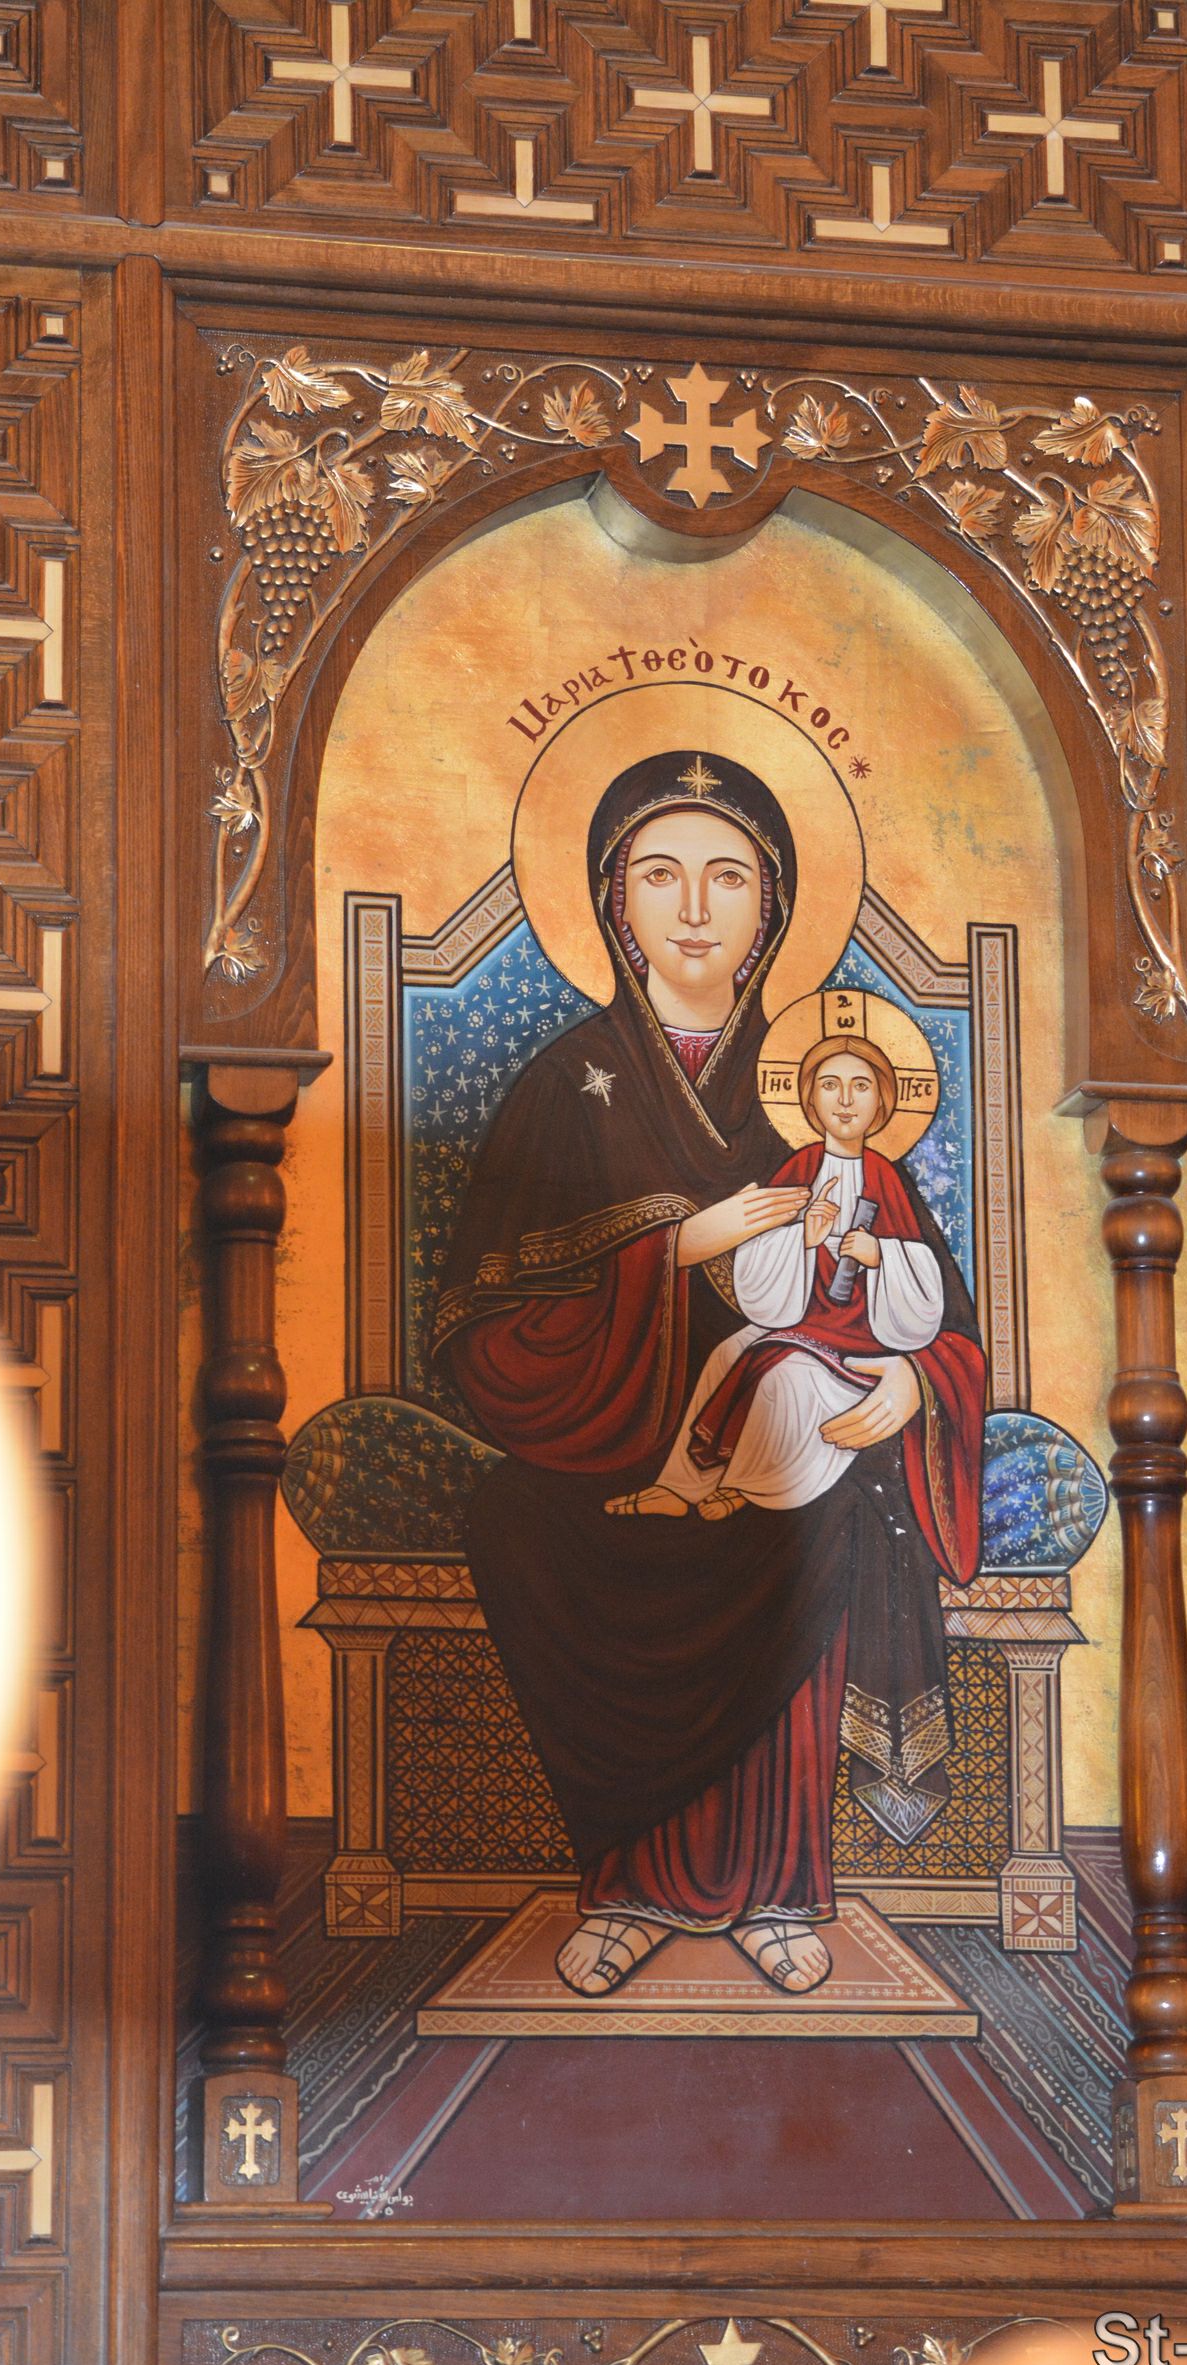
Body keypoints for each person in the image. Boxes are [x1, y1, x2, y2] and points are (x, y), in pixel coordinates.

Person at [434, 751, 986, 2002]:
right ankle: (626, 1888)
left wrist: (916, 1389)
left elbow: (938, 1315)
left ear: (773, 904)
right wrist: (677, 1249)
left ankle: (779, 1890)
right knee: (518, 1520)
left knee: (826, 1516)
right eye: (659, 875)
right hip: (605, 1434)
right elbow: (480, 1324)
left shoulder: (825, 1090)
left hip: (799, 1434)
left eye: (728, 877)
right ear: (612, 899)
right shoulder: (563, 1083)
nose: (693, 909)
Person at [607, 1031, 946, 1523]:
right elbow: (759, 1262)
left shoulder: (887, 1178)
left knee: (787, 1378)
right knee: (726, 1355)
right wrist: (802, 1239)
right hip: (797, 1318)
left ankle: (746, 1486)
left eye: (861, 1086)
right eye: (829, 1085)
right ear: (809, 1099)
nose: (845, 1100)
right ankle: (677, 1487)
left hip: (861, 1334)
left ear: (882, 1102)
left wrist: (880, 1255)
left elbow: (921, 1275)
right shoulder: (800, 1166)